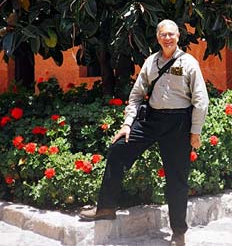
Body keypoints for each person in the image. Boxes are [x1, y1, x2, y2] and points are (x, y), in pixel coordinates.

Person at [79, 19, 209, 246]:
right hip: (152, 119)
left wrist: (195, 132)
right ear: (158, 38)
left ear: (178, 36)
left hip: (179, 123)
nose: (167, 38)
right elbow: (136, 95)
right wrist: (128, 124)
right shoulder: (151, 62)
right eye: (163, 35)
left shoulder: (189, 63)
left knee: (176, 179)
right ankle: (106, 207)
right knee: (118, 150)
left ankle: (178, 231)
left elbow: (201, 100)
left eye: (171, 34)